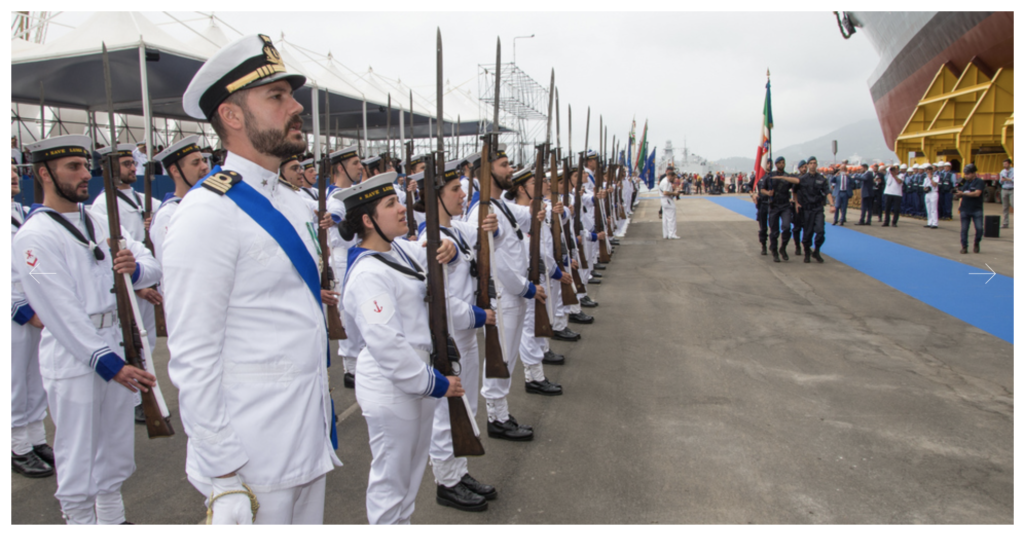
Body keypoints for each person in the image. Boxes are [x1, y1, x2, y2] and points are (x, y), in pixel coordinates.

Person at [165, 34, 340, 524]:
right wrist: (222, 476)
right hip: (252, 458)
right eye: (277, 96)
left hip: (304, 438)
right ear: (233, 116)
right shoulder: (207, 213)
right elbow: (194, 357)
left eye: (291, 94)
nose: (295, 106)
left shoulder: (288, 198)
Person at [14, 134, 162, 524]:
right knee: (78, 450)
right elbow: (59, 311)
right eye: (73, 167)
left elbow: (151, 263)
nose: (85, 175)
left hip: (115, 339)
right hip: (76, 354)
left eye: (85, 166)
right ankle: (79, 522)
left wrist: (134, 266)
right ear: (44, 173)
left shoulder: (99, 219)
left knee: (115, 447)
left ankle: (112, 519)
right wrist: (109, 363)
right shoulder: (35, 235)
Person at [338, 172, 461, 524]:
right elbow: (387, 345)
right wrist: (436, 384)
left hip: (415, 379)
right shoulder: (368, 275)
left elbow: (433, 258)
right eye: (390, 204)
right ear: (367, 220)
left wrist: (449, 251)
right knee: (391, 485)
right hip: (393, 386)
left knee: (408, 482)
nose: (402, 208)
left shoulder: (399, 250)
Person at [407, 159, 500, 512]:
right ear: (436, 199)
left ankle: (458, 471)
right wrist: (478, 314)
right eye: (455, 190)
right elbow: (440, 301)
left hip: (465, 334)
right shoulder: (433, 239)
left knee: (466, 408)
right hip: (452, 334)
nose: (464, 194)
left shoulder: (456, 230)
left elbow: (486, 231)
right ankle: (446, 481)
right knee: (449, 414)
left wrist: (491, 223)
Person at [467, 153, 545, 442]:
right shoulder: (482, 211)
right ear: (485, 173)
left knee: (508, 358)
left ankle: (500, 414)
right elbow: (497, 262)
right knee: (500, 360)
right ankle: (496, 418)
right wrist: (527, 289)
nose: (511, 170)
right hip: (505, 294)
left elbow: (528, 216)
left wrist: (542, 208)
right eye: (504, 165)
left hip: (513, 293)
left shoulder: (500, 205)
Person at [88, 142, 163, 424]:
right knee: (131, 343)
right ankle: (136, 400)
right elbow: (109, 256)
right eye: (126, 164)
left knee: (147, 342)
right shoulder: (102, 206)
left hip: (142, 275)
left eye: (133, 164)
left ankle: (143, 394)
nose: (133, 168)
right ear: (109, 169)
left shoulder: (141, 199)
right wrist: (136, 285)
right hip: (126, 288)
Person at [11, 159, 53, 479]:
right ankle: (17, 447)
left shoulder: (24, 213)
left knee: (35, 380)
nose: (13, 176)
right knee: (13, 383)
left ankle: (36, 438)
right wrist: (26, 312)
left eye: (14, 171)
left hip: (36, 310)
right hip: (13, 315)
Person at [150, 136, 209, 265]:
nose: (205, 166)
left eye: (203, 161)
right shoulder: (168, 215)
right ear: (176, 171)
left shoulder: (206, 204)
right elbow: (169, 265)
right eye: (196, 163)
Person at [779, 156, 832, 263]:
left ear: (816, 165)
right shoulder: (803, 179)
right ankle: (807, 252)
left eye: (814, 163)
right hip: (807, 209)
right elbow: (794, 190)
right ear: (807, 165)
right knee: (807, 233)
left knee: (820, 231)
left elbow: (827, 192)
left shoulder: (821, 179)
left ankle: (816, 251)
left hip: (818, 208)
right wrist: (797, 203)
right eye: (811, 163)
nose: (813, 165)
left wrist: (832, 204)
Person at [765, 157, 797, 262]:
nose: (782, 164)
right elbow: (762, 188)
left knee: (787, 227)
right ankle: (774, 251)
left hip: (785, 205)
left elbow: (796, 183)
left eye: (783, 162)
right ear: (776, 164)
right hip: (774, 205)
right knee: (774, 231)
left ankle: (783, 247)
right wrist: (768, 193)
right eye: (779, 163)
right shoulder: (771, 176)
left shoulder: (787, 176)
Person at [954, 163, 986, 254]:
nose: (966, 176)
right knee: (964, 229)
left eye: (968, 174)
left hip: (976, 209)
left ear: (973, 173)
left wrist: (963, 193)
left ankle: (976, 242)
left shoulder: (979, 182)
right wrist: (957, 192)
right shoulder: (964, 182)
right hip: (965, 209)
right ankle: (964, 246)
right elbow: (959, 190)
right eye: (965, 174)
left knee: (979, 228)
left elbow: (977, 193)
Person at [753, 167, 771, 254]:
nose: (768, 166)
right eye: (766, 163)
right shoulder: (759, 176)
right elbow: (750, 186)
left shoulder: (773, 176)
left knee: (774, 228)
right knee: (763, 227)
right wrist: (753, 194)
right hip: (762, 204)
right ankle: (763, 245)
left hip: (772, 204)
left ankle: (773, 244)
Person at [659, 167, 680, 239]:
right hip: (667, 200)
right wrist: (674, 193)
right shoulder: (666, 182)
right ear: (670, 176)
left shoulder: (665, 181)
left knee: (665, 218)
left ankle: (666, 234)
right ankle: (672, 234)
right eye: (673, 178)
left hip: (664, 201)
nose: (674, 180)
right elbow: (665, 192)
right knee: (671, 218)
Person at [922, 164, 940, 229]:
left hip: (933, 193)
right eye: (927, 171)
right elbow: (924, 187)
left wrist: (931, 178)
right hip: (927, 193)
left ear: (932, 171)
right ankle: (929, 222)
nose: (928, 172)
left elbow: (935, 184)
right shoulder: (925, 178)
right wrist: (926, 188)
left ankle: (935, 223)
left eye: (930, 170)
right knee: (928, 208)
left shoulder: (936, 176)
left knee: (933, 209)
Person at [999, 158, 1013, 228]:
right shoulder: (1002, 172)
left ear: (1009, 164)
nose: (1004, 165)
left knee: (1014, 205)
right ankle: (1005, 223)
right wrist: (1001, 180)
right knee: (1005, 207)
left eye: (1006, 164)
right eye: (1004, 164)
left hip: (1012, 190)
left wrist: (1008, 179)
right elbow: (1000, 182)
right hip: (1004, 189)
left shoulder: (1014, 171)